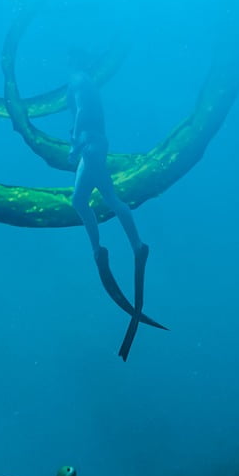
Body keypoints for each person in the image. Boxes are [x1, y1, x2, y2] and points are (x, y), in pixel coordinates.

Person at [67, 53, 165, 360]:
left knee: (84, 200)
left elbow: (82, 111)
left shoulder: (78, 80)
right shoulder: (90, 82)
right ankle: (129, 246)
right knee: (104, 197)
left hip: (90, 144)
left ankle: (112, 248)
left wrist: (74, 144)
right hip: (97, 144)